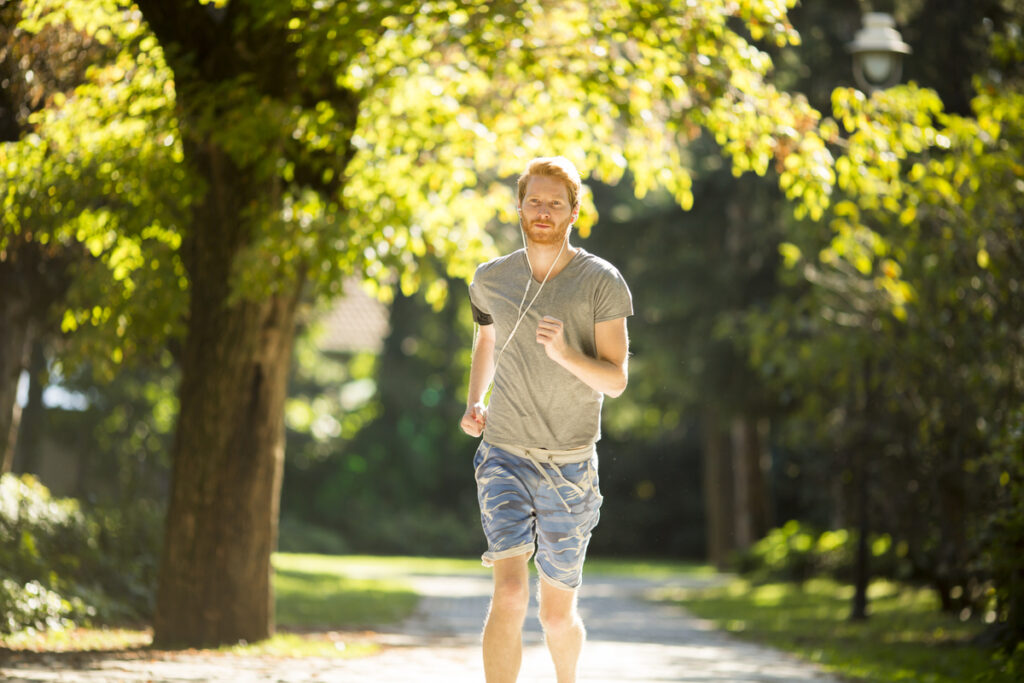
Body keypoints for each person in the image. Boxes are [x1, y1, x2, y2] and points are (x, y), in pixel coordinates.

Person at [460, 156, 632, 683]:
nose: (542, 211)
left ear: (574, 211)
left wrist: (565, 356)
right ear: (518, 204)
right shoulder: (491, 279)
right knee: (510, 590)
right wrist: (475, 399)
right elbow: (487, 337)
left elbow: (615, 379)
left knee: (556, 616)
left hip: (571, 464)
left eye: (555, 203)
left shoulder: (601, 281)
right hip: (505, 451)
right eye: (534, 200)